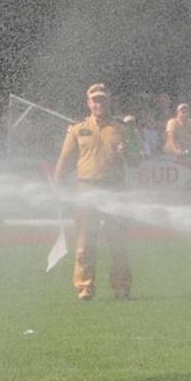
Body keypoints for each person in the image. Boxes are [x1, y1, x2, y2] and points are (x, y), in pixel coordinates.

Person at [51, 84, 132, 301]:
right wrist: (57, 187)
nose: (99, 104)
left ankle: (121, 287)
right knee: (85, 243)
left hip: (115, 190)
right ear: (88, 103)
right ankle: (85, 287)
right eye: (95, 100)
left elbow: (136, 161)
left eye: (102, 100)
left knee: (118, 243)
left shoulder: (121, 128)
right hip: (86, 190)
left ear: (109, 102)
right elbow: (65, 159)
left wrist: (126, 154)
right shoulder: (78, 129)